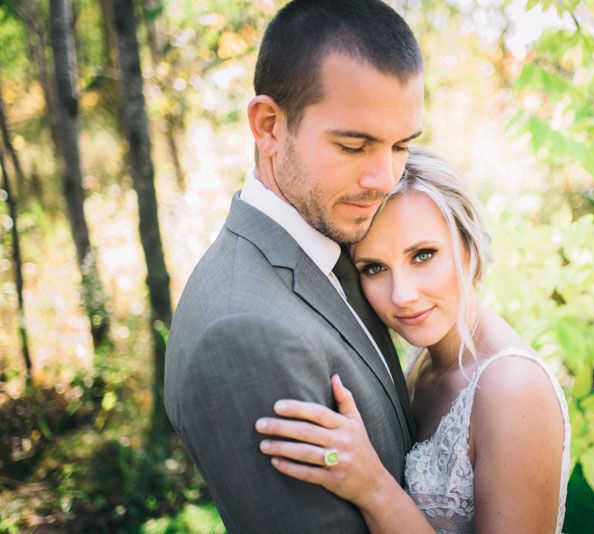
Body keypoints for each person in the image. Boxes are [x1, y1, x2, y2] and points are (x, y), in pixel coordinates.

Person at [164, 1, 424, 532]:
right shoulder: (242, 336)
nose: (384, 177)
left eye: (400, 146)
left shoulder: (336, 241)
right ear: (269, 126)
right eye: (354, 145)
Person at [255, 147, 571, 533]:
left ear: (468, 246)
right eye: (374, 268)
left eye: (423, 255)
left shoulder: (513, 388)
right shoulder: (422, 363)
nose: (401, 295)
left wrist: (372, 487)